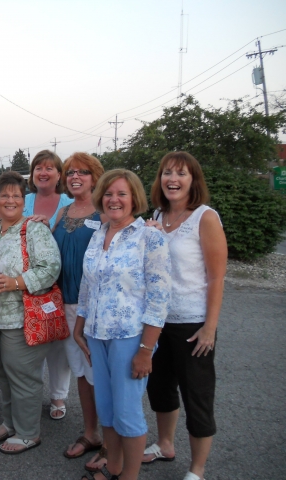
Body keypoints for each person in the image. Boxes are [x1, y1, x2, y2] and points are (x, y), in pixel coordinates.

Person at [76, 169, 171, 480]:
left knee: (128, 413)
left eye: (121, 194)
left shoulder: (150, 236)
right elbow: (87, 285)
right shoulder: (97, 234)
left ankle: (129, 476)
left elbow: (159, 297)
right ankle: (113, 468)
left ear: (134, 199)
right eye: (108, 193)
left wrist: (146, 350)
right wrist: (79, 325)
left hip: (130, 337)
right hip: (96, 334)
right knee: (106, 409)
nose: (113, 199)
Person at [142, 152, 227, 480]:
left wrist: (210, 326)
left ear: (194, 180)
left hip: (192, 322)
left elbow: (217, 277)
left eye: (181, 173)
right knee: (160, 388)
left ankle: (197, 469)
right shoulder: (157, 215)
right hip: (157, 321)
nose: (172, 179)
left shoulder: (205, 218)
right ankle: (165, 444)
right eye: (167, 172)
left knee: (197, 394)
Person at [0, 171, 61, 454]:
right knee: (2, 374)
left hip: (23, 316)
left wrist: (16, 282)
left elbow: (50, 269)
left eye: (16, 195)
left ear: (23, 200)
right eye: (4, 194)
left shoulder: (34, 229)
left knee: (22, 375)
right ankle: (10, 422)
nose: (10, 200)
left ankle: (28, 432)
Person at [52, 153, 107, 465]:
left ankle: (111, 443)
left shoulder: (105, 212)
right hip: (65, 305)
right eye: (70, 172)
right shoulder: (63, 211)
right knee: (82, 375)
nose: (75, 177)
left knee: (101, 372)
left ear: (94, 177)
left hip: (95, 309)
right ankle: (91, 433)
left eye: (82, 172)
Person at [22, 149, 74, 420]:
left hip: (61, 283)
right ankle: (29, 395)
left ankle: (58, 396)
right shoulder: (24, 200)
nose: (43, 172)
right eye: (38, 168)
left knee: (57, 343)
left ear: (58, 175)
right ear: (32, 174)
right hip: (28, 284)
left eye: (49, 168)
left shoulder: (69, 202)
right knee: (30, 341)